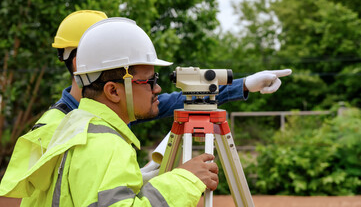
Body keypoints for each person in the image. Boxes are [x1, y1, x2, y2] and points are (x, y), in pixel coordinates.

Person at [0, 11, 291, 204]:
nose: (158, 89)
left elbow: (87, 192)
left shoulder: (90, 120)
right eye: (149, 80)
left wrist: (244, 85)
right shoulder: (89, 135)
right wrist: (183, 181)